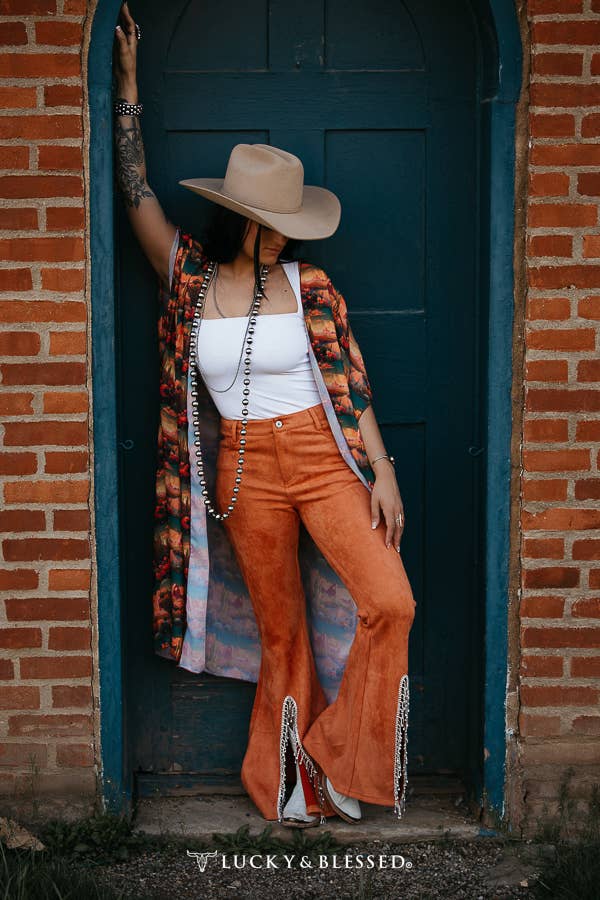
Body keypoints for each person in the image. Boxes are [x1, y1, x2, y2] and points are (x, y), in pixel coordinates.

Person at [114, 1, 416, 828]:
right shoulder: (190, 282)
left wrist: (381, 472)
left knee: (391, 602)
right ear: (240, 219)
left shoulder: (308, 289)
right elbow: (135, 190)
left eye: (290, 226)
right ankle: (289, 785)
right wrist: (129, 90)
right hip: (243, 468)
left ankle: (342, 759)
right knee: (281, 638)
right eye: (270, 225)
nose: (283, 239)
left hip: (323, 458)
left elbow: (352, 388)